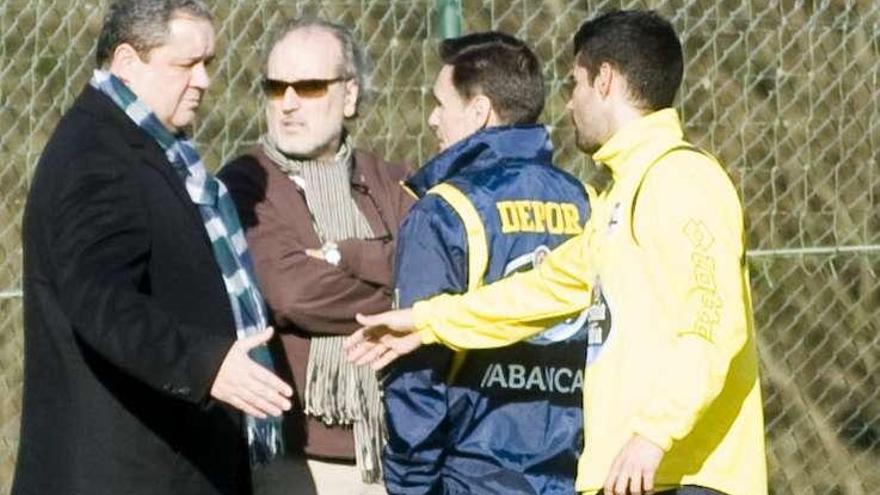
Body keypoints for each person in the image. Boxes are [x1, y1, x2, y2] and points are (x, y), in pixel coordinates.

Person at [346, 10, 768, 495]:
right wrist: (427, 321)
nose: (568, 104)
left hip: (683, 476)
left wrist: (655, 433)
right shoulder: (618, 195)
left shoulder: (681, 179)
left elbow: (712, 321)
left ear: (605, 80)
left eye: (576, 84)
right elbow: (546, 288)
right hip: (628, 475)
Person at [14, 1, 295, 494]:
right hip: (127, 467)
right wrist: (205, 365)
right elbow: (100, 298)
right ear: (126, 62)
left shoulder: (151, 147)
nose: (205, 80)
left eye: (208, 63)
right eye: (187, 64)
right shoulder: (96, 156)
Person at [382, 32, 590, 495]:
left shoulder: (445, 211)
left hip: (471, 473)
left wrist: (411, 486)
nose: (433, 119)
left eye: (440, 103)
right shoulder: (590, 203)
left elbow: (416, 369)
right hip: (579, 470)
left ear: (478, 113)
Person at [218, 18, 412, 495]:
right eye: (275, 87)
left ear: (349, 96)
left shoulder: (390, 180)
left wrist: (340, 256)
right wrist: (400, 294)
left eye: (308, 87)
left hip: (400, 443)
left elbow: (441, 277)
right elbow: (291, 292)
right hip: (299, 455)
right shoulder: (246, 182)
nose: (287, 104)